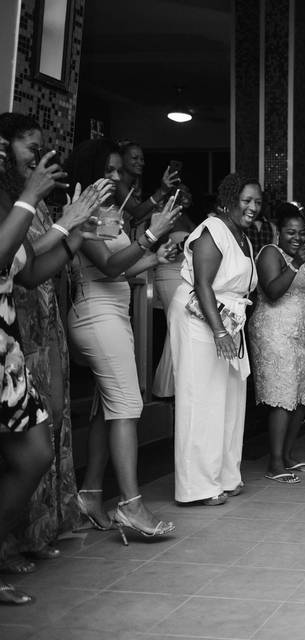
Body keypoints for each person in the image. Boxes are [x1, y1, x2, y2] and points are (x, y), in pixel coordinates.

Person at [0, 135, 101, 605]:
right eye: (25, 147)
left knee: (35, 452)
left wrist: (74, 228)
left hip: (7, 354)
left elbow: (29, 272)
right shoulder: (16, 204)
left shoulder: (12, 206)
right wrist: (34, 201)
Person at [64, 138, 181, 544]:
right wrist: (149, 234)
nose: (117, 178)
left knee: (106, 408)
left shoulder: (109, 213)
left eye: (118, 170)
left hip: (113, 313)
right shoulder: (82, 214)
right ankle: (130, 505)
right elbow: (109, 264)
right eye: (110, 170)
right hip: (95, 316)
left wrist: (155, 256)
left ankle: (90, 495)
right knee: (128, 406)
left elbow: (122, 271)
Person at [169, 174, 260, 506]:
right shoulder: (212, 230)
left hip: (229, 320)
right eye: (247, 200)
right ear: (230, 198)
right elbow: (202, 284)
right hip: (201, 319)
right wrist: (219, 331)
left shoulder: (242, 237)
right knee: (201, 400)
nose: (252, 207)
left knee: (229, 400)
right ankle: (198, 486)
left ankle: (225, 475)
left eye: (257, 202)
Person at [249, 204, 305, 483]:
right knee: (282, 398)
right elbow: (272, 292)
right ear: (278, 232)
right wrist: (295, 263)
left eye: (302, 233)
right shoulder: (271, 253)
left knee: (301, 396)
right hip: (273, 331)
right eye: (291, 232)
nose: (297, 237)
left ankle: (288, 455)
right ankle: (275, 462)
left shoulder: (301, 258)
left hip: (299, 333)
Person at [152, 184, 195, 398]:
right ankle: (165, 388)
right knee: (176, 326)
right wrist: (181, 245)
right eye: (184, 192)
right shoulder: (163, 216)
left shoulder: (186, 218)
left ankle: (177, 385)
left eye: (189, 192)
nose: (188, 195)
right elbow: (156, 244)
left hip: (186, 274)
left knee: (182, 327)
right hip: (168, 273)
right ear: (173, 196)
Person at [115, 141, 180, 225]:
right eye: (135, 158)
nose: (141, 163)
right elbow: (136, 212)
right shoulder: (118, 183)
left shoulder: (133, 185)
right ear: (122, 159)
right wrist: (162, 191)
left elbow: (135, 219)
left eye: (142, 159)